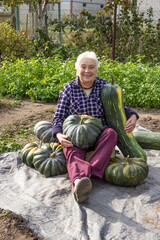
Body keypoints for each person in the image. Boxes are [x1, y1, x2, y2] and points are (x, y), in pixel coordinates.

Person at [52, 51, 139, 203]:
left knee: (111, 133)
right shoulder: (68, 89)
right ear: (77, 68)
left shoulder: (104, 86)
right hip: (76, 136)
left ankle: (87, 174)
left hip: (99, 134)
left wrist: (133, 116)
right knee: (70, 149)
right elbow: (58, 117)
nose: (87, 71)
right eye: (83, 67)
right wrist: (59, 136)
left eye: (91, 67)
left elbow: (120, 107)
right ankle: (81, 181)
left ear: (96, 69)